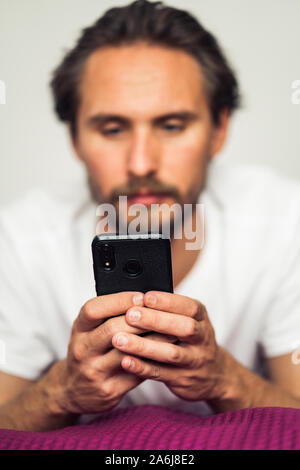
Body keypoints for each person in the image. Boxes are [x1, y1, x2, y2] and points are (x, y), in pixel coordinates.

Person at [0, 0, 299, 432]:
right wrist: (60, 392)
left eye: (172, 125)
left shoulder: (287, 222)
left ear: (220, 130)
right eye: (113, 129)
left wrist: (223, 379)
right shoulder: (19, 241)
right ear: (74, 139)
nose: (142, 163)